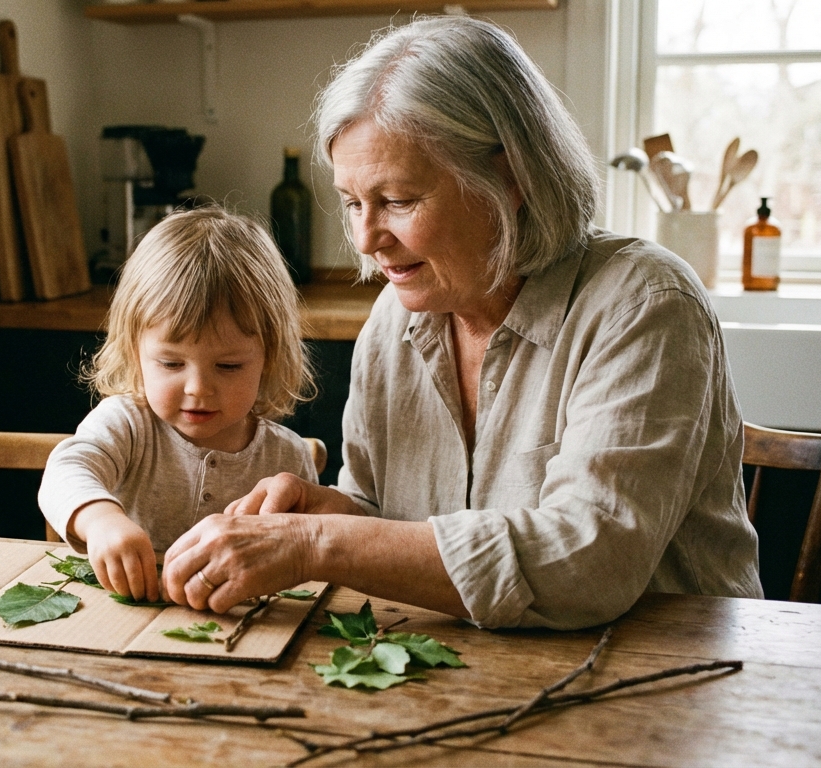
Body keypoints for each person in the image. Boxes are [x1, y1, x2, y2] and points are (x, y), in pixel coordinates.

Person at [161, 16, 764, 630]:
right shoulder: (394, 322)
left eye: (397, 201)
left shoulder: (644, 303)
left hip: (676, 679)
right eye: (351, 204)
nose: (367, 240)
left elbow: (589, 561)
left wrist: (319, 542)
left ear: (511, 180)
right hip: (480, 671)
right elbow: (386, 518)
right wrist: (327, 512)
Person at [38, 206, 318, 602]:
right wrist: (101, 521)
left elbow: (306, 564)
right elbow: (65, 470)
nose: (198, 388)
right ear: (135, 353)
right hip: (126, 614)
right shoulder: (127, 425)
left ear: (268, 359)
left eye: (228, 365)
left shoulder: (287, 456)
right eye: (171, 363)